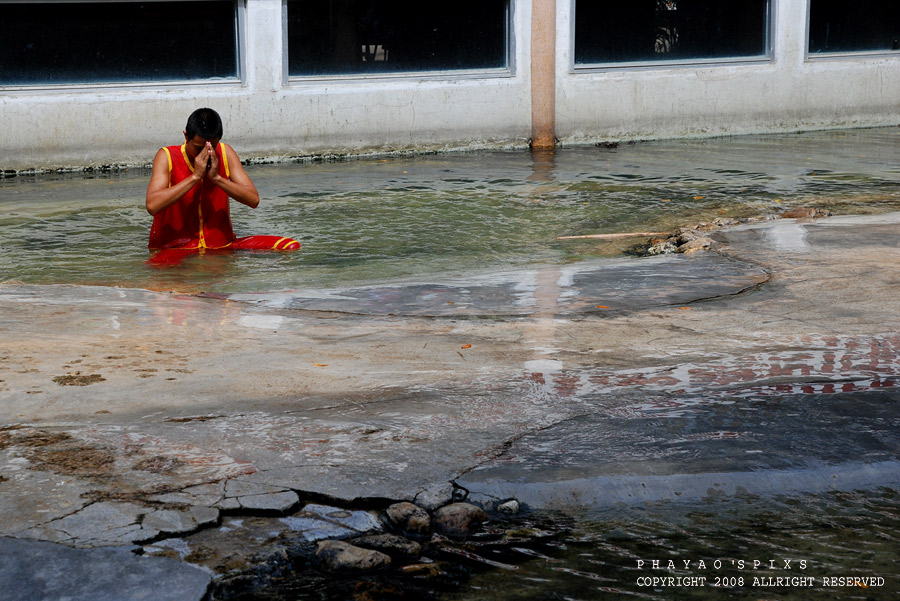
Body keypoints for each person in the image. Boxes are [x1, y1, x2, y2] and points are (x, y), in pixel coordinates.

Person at [145, 108, 299, 262]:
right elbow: (152, 205)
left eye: (212, 147)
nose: (206, 153)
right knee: (184, 284)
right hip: (174, 249)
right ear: (186, 136)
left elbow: (253, 199)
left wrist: (217, 178)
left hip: (220, 247)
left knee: (290, 246)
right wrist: (195, 177)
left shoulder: (226, 152)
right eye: (199, 148)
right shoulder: (166, 156)